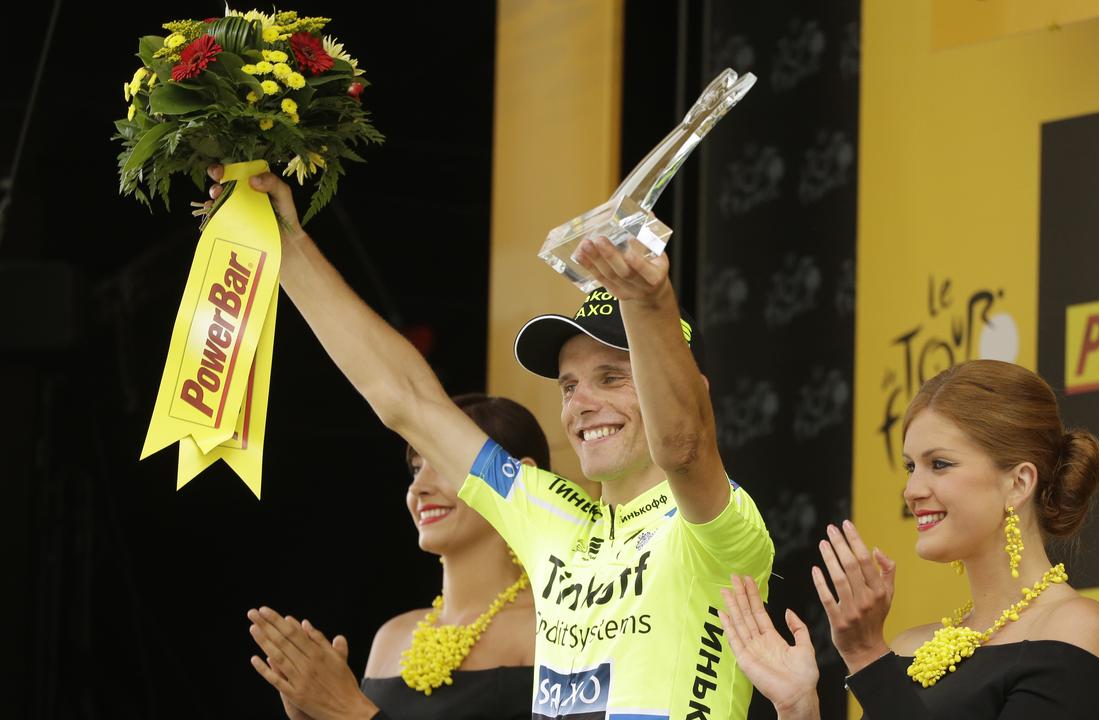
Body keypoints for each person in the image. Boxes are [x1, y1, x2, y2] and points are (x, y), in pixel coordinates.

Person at [205, 165, 775, 719]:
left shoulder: (717, 525)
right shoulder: (551, 516)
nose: (581, 404)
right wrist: (285, 246)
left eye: (612, 377)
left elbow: (684, 446)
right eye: (569, 385)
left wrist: (648, 305)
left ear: (692, 389)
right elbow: (407, 399)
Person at [718, 360, 1099, 719]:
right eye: (911, 467)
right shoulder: (912, 645)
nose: (912, 490)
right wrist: (798, 708)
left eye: (939, 464)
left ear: (1018, 483)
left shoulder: (1076, 627)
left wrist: (866, 655)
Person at [246, 394, 549, 720]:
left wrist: (349, 710)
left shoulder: (551, 632)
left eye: (444, 462)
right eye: (417, 468)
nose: (419, 488)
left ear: (518, 481)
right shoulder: (392, 637)